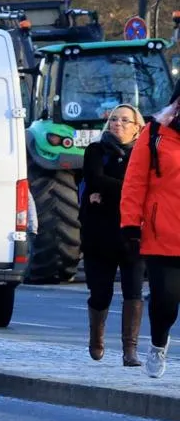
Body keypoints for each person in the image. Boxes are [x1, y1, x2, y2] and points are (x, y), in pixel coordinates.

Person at [119, 94, 180, 378]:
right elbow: (134, 181)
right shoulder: (155, 134)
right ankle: (158, 343)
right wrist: (131, 225)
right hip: (162, 234)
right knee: (165, 300)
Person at [84, 105, 145, 366]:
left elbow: (149, 186)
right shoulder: (96, 150)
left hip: (132, 234)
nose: (117, 124)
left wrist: (108, 193)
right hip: (99, 235)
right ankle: (96, 338)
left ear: (137, 127)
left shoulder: (143, 155)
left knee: (134, 291)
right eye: (114, 119)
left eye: (124, 120)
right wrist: (131, 190)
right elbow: (95, 179)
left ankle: (129, 350)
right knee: (101, 293)